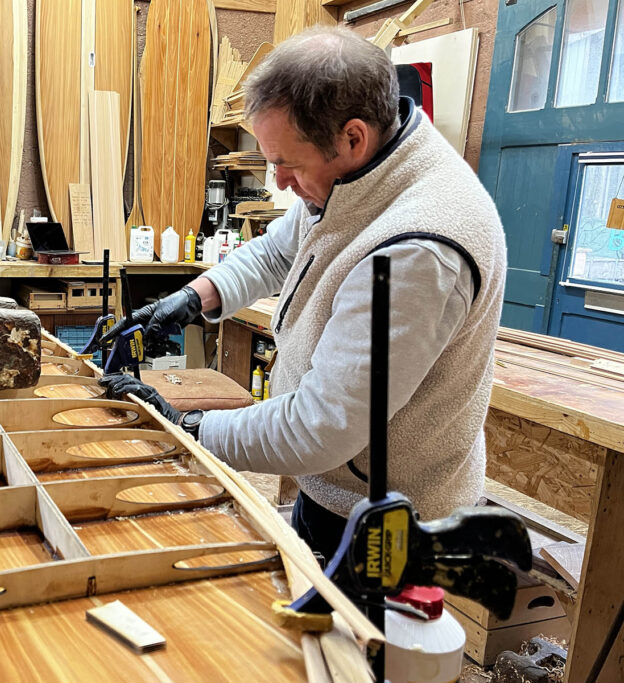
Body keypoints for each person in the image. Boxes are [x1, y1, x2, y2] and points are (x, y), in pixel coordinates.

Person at [100, 26, 507, 559]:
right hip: (334, 484)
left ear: (353, 136)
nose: (279, 181)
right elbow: (275, 251)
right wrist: (193, 299)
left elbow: (322, 427)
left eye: (286, 165)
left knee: (364, 642)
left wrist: (188, 426)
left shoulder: (418, 250)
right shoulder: (357, 173)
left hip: (389, 517)